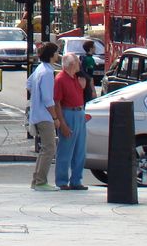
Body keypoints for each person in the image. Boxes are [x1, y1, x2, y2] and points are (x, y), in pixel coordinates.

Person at [27, 42, 61, 191]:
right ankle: (41, 181)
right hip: (45, 115)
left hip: (36, 112)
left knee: (44, 149)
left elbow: (28, 84)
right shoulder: (47, 73)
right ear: (51, 55)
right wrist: (55, 117)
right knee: (49, 148)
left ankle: (37, 180)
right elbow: (48, 99)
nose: (58, 55)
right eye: (57, 52)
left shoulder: (39, 69)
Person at [54, 54, 88, 190]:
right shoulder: (60, 79)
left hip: (79, 112)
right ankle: (62, 181)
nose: (79, 65)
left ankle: (76, 180)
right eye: (77, 63)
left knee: (80, 150)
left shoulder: (75, 78)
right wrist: (62, 124)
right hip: (68, 112)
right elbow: (57, 102)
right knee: (66, 149)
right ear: (71, 64)